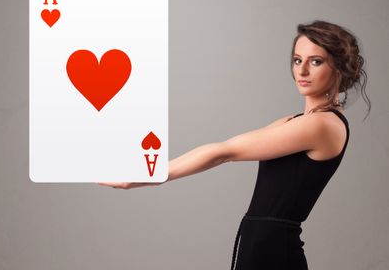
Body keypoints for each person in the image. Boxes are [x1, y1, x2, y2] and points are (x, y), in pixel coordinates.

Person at [98, 20, 370, 269]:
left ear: (339, 67)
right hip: (258, 246)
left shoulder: (322, 125)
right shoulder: (293, 121)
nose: (302, 69)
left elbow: (225, 152)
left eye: (316, 61)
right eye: (297, 59)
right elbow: (225, 147)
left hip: (274, 253)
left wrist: (149, 174)